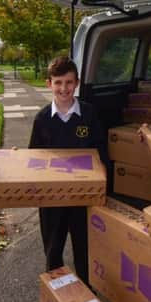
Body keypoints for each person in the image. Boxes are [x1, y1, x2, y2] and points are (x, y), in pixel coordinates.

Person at [29, 56, 106, 285]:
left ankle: (88, 295)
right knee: (53, 251)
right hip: (52, 201)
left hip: (83, 199)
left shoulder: (90, 114)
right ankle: (57, 301)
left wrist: (103, 186)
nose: (64, 88)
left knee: (84, 249)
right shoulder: (42, 119)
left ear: (77, 83)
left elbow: (102, 152)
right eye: (58, 82)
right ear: (49, 84)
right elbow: (34, 159)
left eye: (69, 82)